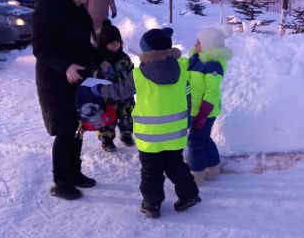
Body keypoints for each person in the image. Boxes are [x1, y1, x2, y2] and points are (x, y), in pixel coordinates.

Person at [95, 28, 201, 218]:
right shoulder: (182, 70)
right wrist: (187, 120)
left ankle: (152, 205)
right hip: (175, 133)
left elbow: (119, 91)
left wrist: (102, 90)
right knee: (176, 165)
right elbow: (187, 97)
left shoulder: (139, 75)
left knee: (151, 172)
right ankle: (190, 194)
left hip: (150, 137)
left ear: (147, 52)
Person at [33, 0, 103, 200]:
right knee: (65, 129)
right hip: (55, 80)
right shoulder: (48, 11)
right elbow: (41, 49)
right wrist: (66, 66)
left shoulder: (78, 11)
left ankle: (75, 172)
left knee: (77, 127)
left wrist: (100, 59)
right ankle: (61, 180)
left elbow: (83, 44)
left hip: (77, 79)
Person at [187, 26, 233, 185]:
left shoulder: (213, 65)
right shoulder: (196, 58)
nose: (195, 45)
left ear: (208, 45)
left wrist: (202, 114)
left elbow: (212, 92)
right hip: (196, 109)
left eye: (198, 42)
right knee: (204, 139)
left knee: (194, 141)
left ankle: (195, 176)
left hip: (205, 111)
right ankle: (213, 170)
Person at [94, 19, 135, 152]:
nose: (115, 45)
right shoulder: (99, 60)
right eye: (111, 43)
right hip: (107, 97)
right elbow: (93, 78)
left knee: (126, 115)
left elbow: (132, 71)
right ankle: (107, 140)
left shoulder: (124, 57)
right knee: (107, 120)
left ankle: (126, 134)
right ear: (103, 43)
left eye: (117, 42)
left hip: (125, 95)